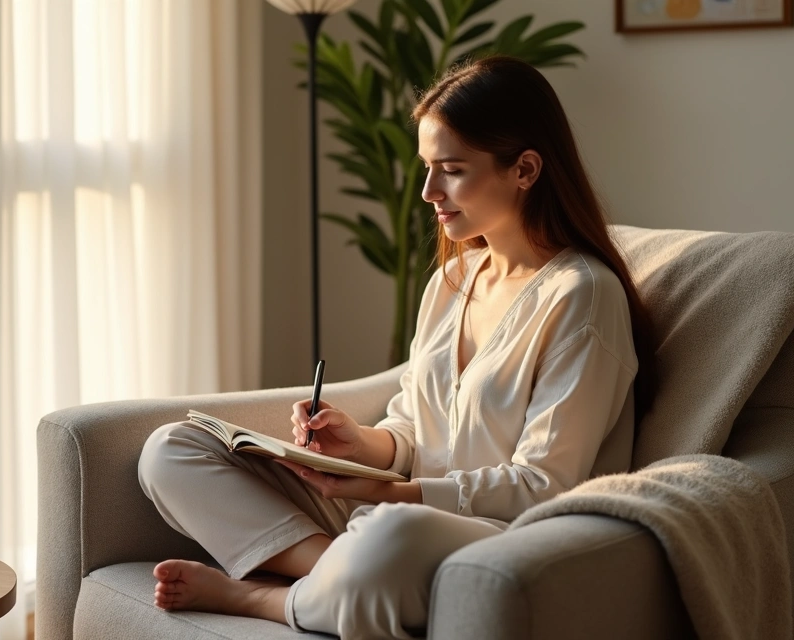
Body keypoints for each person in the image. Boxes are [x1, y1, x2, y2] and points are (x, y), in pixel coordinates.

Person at [137, 55, 659, 639]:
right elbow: (414, 428)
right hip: (396, 514)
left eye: (452, 170)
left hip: (501, 535)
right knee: (171, 449)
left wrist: (391, 493)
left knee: (393, 534)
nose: (428, 192)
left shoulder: (582, 297)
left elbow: (545, 486)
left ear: (526, 169)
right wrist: (358, 443)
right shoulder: (452, 281)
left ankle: (264, 598)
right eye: (427, 168)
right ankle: (341, 572)